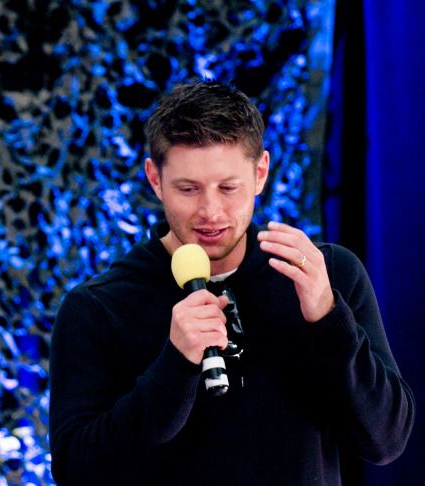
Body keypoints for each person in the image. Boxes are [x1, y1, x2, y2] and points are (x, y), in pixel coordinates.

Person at [49, 81, 414, 484]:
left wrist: (329, 319)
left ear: (260, 173)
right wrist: (175, 365)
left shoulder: (327, 273)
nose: (210, 211)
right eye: (188, 189)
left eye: (228, 187)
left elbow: (386, 440)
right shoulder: (98, 307)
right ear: (155, 179)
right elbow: (76, 471)